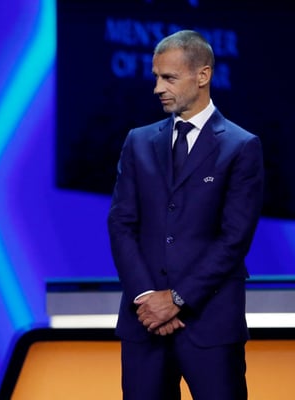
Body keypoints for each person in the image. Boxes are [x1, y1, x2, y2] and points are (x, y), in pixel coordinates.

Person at [107, 30, 264, 400]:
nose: (158, 88)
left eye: (169, 78)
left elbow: (234, 239)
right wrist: (148, 297)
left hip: (210, 325)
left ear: (203, 75)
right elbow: (121, 223)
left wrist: (176, 299)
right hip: (145, 323)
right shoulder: (138, 141)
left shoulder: (241, 147)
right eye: (156, 77)